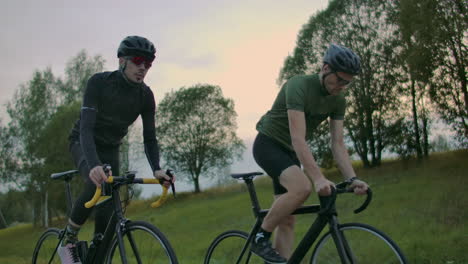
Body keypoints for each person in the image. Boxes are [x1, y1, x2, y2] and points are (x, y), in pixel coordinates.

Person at [58, 36, 175, 264]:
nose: (143, 68)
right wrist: (93, 165)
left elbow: (150, 138)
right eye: (138, 61)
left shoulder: (145, 96)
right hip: (84, 141)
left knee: (110, 215)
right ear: (122, 60)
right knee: (97, 182)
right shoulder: (99, 83)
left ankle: (97, 259)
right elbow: (86, 128)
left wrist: (157, 169)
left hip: (111, 147)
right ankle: (70, 235)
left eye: (148, 64)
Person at [250, 44, 369, 263]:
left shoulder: (338, 100)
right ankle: (260, 237)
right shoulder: (298, 85)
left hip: (290, 153)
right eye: (340, 80)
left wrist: (351, 179)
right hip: (268, 145)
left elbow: (338, 144)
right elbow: (298, 138)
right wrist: (318, 178)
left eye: (348, 82)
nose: (342, 86)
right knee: (302, 188)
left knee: (287, 221)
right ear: (325, 69)